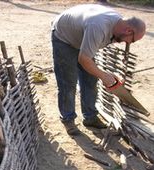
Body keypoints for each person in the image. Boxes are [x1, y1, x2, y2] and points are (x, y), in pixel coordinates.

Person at [51, 4, 146, 135]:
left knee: (90, 80)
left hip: (82, 35)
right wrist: (104, 76)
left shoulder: (118, 27)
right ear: (129, 31)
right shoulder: (98, 26)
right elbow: (84, 59)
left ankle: (90, 117)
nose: (128, 43)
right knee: (68, 82)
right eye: (132, 41)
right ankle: (68, 119)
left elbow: (88, 55)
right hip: (64, 37)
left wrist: (107, 74)